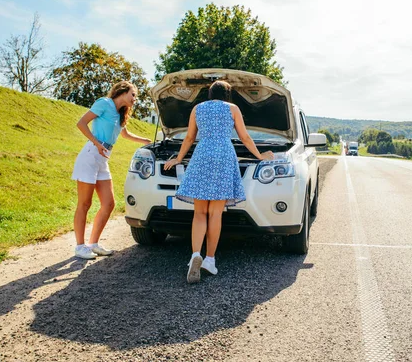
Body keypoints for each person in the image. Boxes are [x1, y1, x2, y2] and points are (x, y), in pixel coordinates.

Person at [164, 80, 274, 284]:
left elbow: (189, 138)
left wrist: (178, 159)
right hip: (223, 156)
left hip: (202, 155)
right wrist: (259, 155)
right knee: (215, 213)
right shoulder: (232, 108)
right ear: (227, 94)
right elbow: (245, 137)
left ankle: (195, 254)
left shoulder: (197, 108)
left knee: (199, 213)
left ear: (209, 93)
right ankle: (210, 260)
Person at [71, 81, 152, 259]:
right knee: (85, 203)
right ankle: (79, 246)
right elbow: (81, 123)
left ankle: (93, 244)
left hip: (102, 159)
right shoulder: (104, 103)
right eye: (133, 95)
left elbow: (125, 135)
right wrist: (97, 143)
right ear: (123, 92)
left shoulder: (120, 114)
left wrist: (145, 141)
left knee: (109, 204)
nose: (135, 99)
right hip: (91, 155)